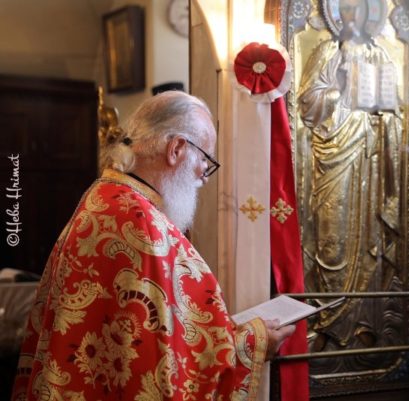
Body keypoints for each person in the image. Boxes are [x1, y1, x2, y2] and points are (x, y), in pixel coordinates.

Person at [11, 91, 295, 401]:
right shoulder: (141, 225)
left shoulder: (106, 198)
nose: (204, 176)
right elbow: (164, 366)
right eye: (205, 160)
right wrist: (254, 342)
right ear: (176, 149)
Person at [297, 0, 407, 357]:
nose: (350, 15)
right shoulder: (327, 52)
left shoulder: (379, 55)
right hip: (333, 154)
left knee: (367, 238)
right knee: (332, 240)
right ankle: (327, 321)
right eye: (344, 8)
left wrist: (383, 115)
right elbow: (307, 103)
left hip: (368, 158)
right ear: (335, 15)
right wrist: (341, 88)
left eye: (358, 9)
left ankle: (363, 323)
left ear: (368, 15)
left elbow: (394, 110)